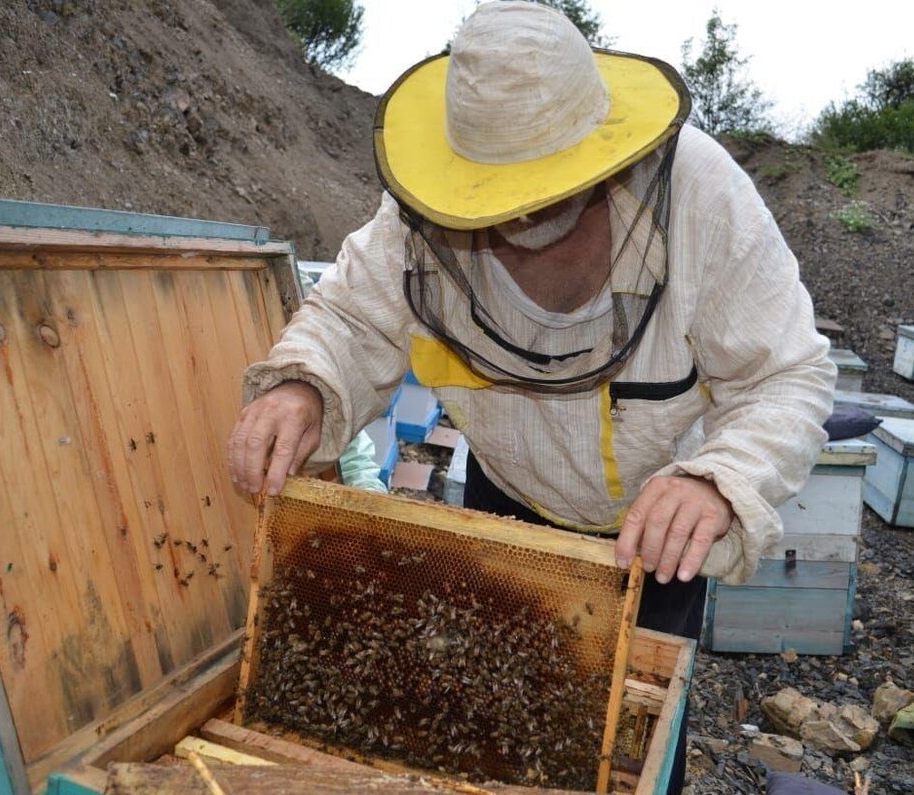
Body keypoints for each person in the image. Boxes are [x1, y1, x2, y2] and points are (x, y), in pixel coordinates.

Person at [227, 1, 834, 788]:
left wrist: (722, 479)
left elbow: (786, 372)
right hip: (503, 507)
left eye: (546, 187)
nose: (522, 214)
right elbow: (350, 317)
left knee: (628, 758)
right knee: (484, 737)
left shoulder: (701, 195)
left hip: (658, 528)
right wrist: (304, 385)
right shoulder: (419, 213)